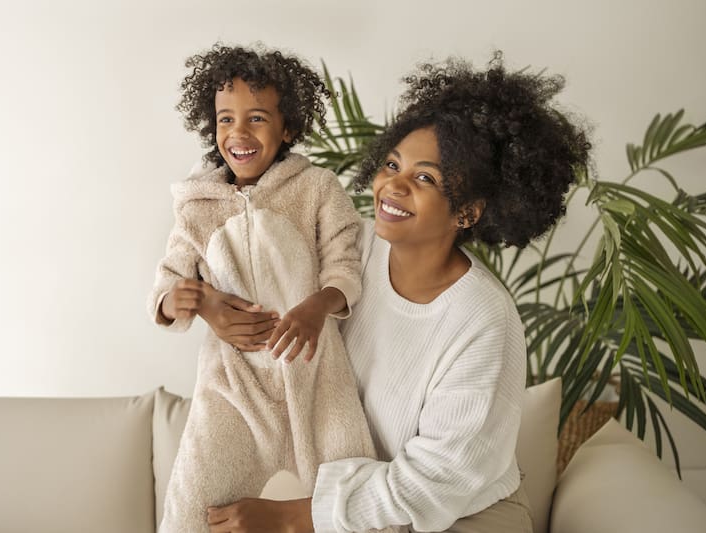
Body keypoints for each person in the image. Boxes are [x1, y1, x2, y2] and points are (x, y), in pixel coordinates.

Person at [201, 53, 591, 532]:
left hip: (463, 516)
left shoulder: (484, 320)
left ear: (467, 211)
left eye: (425, 177)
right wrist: (209, 307)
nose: (393, 186)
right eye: (391, 164)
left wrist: (288, 517)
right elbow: (246, 258)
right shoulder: (348, 249)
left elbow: (435, 484)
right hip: (361, 508)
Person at [148, 44, 389, 533]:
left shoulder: (317, 189)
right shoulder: (195, 206)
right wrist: (196, 302)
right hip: (232, 387)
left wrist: (317, 307)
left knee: (360, 509)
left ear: (288, 128)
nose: (238, 133)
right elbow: (170, 283)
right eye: (225, 120)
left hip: (317, 378)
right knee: (190, 516)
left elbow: (346, 266)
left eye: (256, 119)